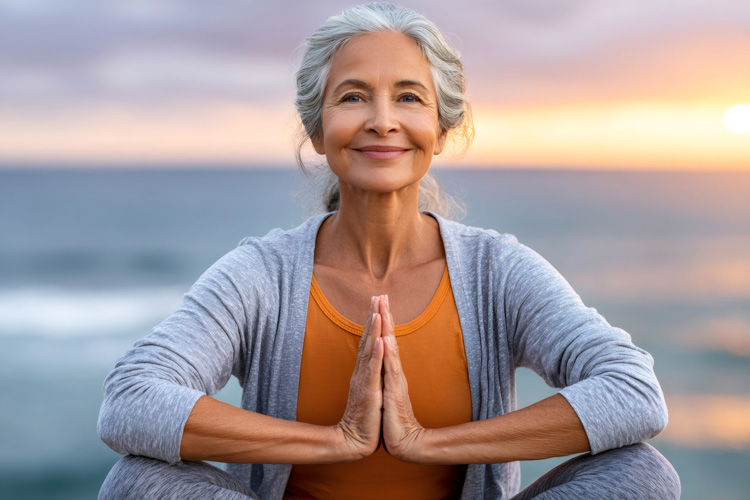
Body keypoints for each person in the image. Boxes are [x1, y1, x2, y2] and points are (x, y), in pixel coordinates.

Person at [97, 3, 680, 499]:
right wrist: (336, 440)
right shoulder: (262, 274)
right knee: (136, 478)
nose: (382, 121)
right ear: (318, 131)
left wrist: (426, 443)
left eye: (408, 98)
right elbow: (130, 401)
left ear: (442, 129)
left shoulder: (496, 271)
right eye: (353, 97)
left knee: (640, 472)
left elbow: (632, 394)